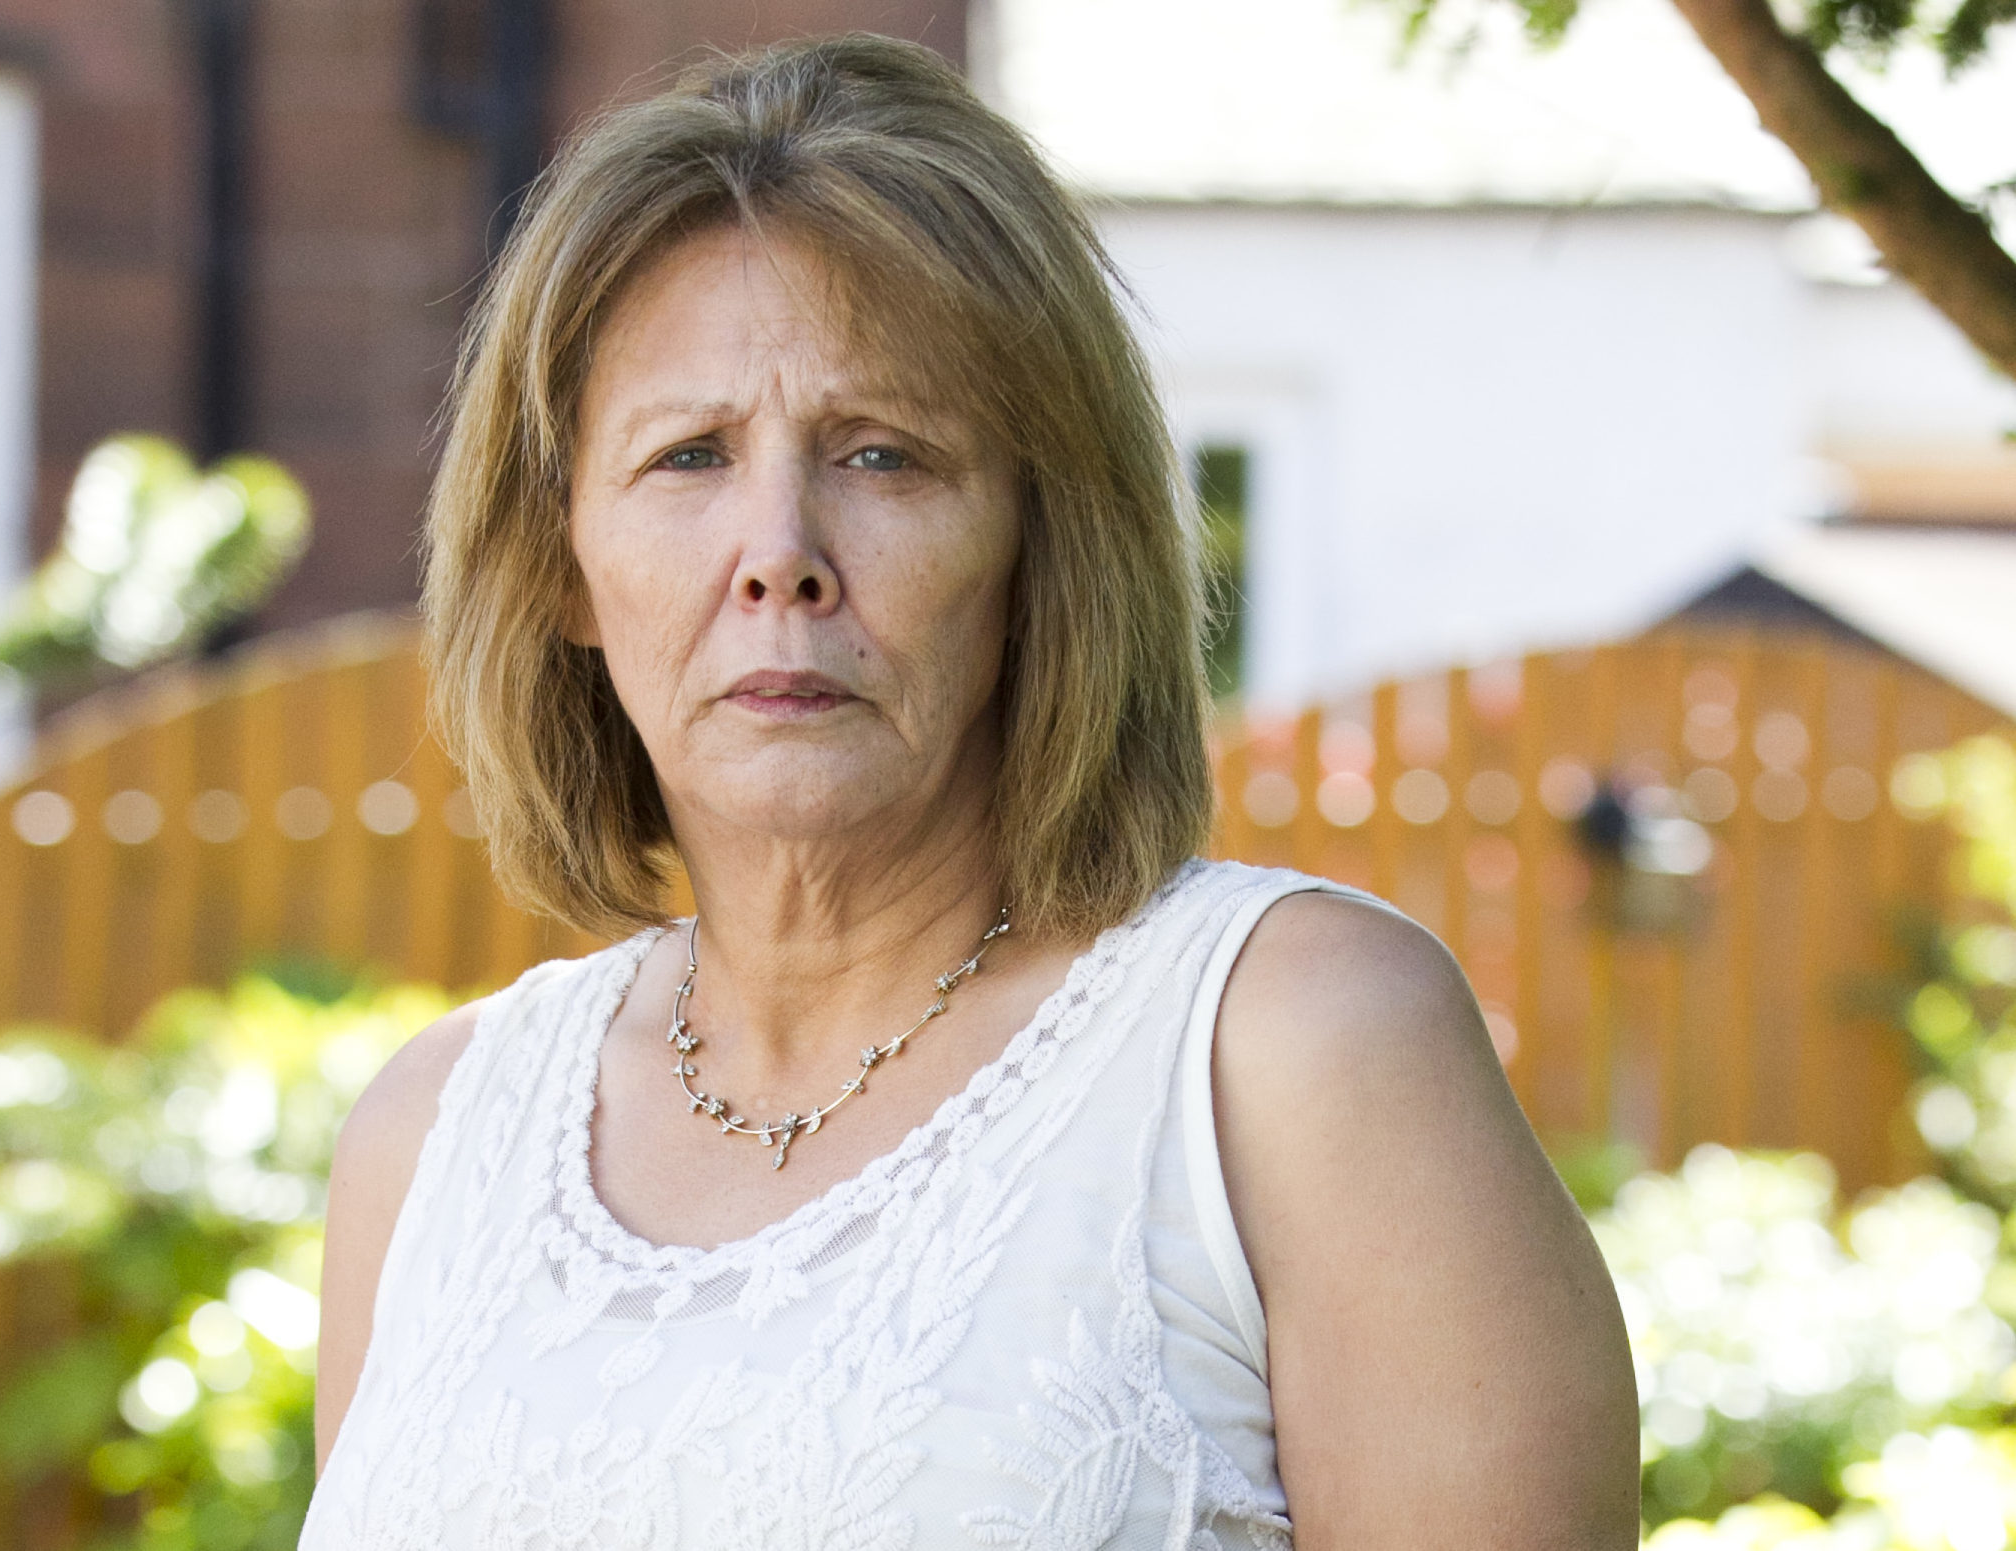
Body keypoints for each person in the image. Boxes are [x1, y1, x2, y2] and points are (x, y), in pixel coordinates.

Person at [303, 33, 1635, 1550]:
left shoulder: (1292, 1050)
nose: (779, 551)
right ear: (562, 567)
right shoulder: (435, 1137)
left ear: (1037, 549)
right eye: (688, 456)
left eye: (883, 455)